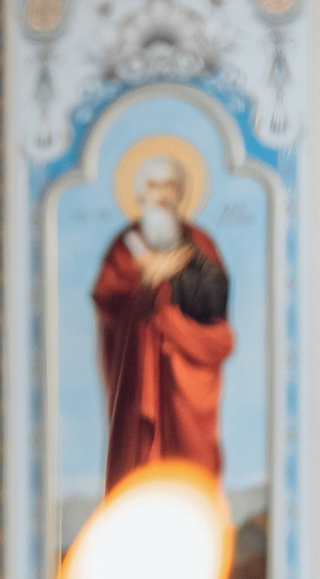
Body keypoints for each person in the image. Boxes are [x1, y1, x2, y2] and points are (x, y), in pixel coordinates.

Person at [93, 153, 233, 489]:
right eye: (155, 186)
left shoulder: (199, 243)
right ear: (141, 192)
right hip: (138, 372)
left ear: (181, 192)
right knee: (137, 453)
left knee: (191, 455)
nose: (163, 195)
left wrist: (173, 278)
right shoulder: (124, 247)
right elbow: (107, 296)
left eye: (170, 186)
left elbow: (216, 298)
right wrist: (143, 284)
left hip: (186, 368)